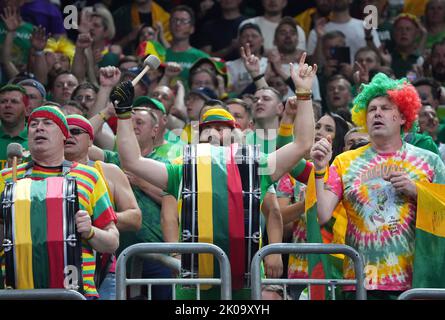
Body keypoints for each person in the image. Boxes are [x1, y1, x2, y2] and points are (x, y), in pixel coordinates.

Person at [110, 53, 318, 299]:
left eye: (222, 128)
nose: (214, 133)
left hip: (247, 283)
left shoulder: (256, 165)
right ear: (198, 135)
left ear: (235, 136)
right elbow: (131, 161)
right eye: (208, 128)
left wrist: (304, 93)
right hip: (194, 287)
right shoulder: (182, 167)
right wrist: (123, 114)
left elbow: (303, 143)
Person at [310, 72, 445, 300]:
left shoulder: (429, 161)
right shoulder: (345, 161)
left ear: (403, 117)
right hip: (360, 282)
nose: (377, 114)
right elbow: (323, 215)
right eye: (372, 109)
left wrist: (417, 191)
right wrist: (320, 169)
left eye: (386, 108)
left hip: (415, 283)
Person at [0, 106, 119, 299]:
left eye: (48, 123)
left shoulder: (89, 177)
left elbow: (113, 241)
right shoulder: (6, 178)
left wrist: (90, 231)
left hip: (77, 293)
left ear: (64, 136)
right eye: (33, 125)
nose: (39, 128)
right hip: (18, 292)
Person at [64, 115, 141, 300]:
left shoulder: (108, 170)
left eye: (75, 132)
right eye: (64, 132)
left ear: (91, 140)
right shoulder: (44, 173)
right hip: (60, 264)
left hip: (103, 266)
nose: (68, 136)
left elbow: (135, 217)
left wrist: (98, 218)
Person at [0, 84, 29, 170]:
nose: (8, 105)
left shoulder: (36, 138)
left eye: (14, 101)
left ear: (27, 109)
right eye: (3, 101)